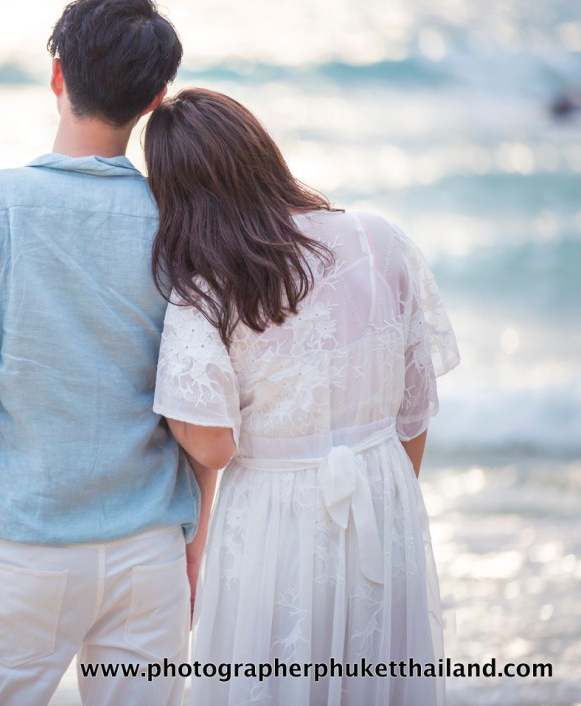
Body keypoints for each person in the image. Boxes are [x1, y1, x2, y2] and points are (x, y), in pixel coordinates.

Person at [0, 0, 226, 706]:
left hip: (23, 555)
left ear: (58, 76)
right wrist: (194, 546)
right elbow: (199, 401)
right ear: (155, 97)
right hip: (149, 555)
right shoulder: (180, 222)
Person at [144, 88, 460, 705]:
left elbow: (211, 444)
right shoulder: (378, 239)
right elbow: (414, 409)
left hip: (275, 519)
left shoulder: (206, 285)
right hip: (383, 499)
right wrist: (383, 490)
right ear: (261, 153)